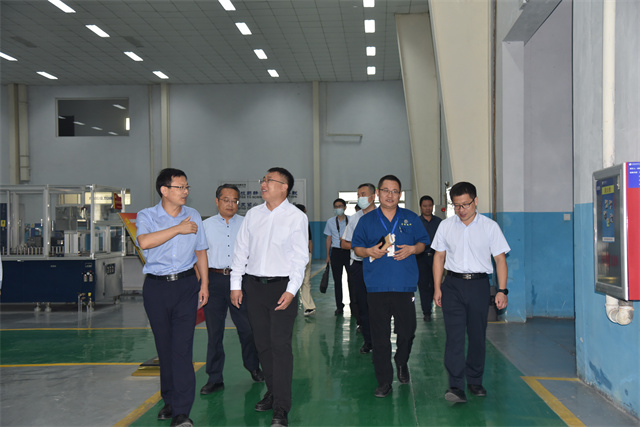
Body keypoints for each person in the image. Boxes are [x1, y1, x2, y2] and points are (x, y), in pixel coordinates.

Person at [230, 167, 308, 427]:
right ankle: (273, 392)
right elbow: (240, 251)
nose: (263, 184)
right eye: (263, 180)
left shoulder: (296, 217)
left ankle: (282, 407)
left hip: (281, 288)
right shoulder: (253, 215)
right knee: (262, 344)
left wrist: (291, 290)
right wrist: (236, 285)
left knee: (280, 346)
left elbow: (300, 258)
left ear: (284, 187)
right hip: (254, 287)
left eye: (270, 180)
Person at [136, 168, 209, 427]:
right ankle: (169, 399)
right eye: (180, 187)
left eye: (187, 187)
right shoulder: (147, 215)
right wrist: (178, 229)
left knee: (182, 349)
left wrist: (204, 284)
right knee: (164, 347)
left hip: (186, 286)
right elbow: (145, 242)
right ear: (164, 190)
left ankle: (181, 412)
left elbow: (201, 251)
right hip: (156, 288)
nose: (185, 191)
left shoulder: (194, 215)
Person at [432, 181, 510, 404]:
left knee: (477, 335)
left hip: (478, 285)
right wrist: (437, 287)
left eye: (465, 204)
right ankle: (456, 386)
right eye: (457, 206)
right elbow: (439, 257)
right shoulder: (446, 226)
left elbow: (500, 260)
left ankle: (475, 380)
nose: (461, 210)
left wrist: (502, 290)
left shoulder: (490, 227)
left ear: (475, 201)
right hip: (452, 285)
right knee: (454, 337)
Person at [352, 175, 429, 398]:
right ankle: (384, 380)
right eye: (385, 190)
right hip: (376, 287)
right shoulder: (366, 220)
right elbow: (357, 248)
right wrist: (368, 251)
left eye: (394, 191)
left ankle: (401, 361)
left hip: (404, 286)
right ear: (378, 193)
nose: (390, 195)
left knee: (407, 331)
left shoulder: (410, 218)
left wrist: (413, 249)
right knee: (380, 336)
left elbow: (423, 243)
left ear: (400, 195)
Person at [199, 184, 264, 396]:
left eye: (235, 201)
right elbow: (197, 256)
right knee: (214, 332)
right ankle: (214, 378)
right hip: (214, 281)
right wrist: (203, 284)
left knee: (248, 329)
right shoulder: (205, 226)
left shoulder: (247, 224)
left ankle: (253, 366)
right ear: (217, 201)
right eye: (226, 200)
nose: (231, 204)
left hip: (241, 282)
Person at [340, 183, 376, 354]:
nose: (360, 197)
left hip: (379, 266)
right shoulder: (354, 219)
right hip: (359, 266)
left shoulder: (382, 217)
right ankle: (369, 340)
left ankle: (380, 338)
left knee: (379, 303)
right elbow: (344, 243)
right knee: (363, 303)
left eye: (363, 194)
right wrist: (362, 248)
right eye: (358, 195)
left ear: (373, 197)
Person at [323, 198, 352, 316]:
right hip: (335, 253)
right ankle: (339, 306)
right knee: (337, 281)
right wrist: (327, 256)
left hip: (349, 252)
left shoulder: (351, 220)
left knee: (352, 280)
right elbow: (328, 239)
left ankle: (353, 305)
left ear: (345, 207)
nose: (338, 208)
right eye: (336, 206)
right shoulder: (330, 222)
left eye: (340, 206)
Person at [416, 195, 442, 322]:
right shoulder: (416, 222)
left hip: (436, 257)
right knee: (423, 285)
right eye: (425, 206)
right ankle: (426, 312)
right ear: (420, 207)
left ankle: (433, 303)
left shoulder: (439, 222)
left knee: (435, 283)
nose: (427, 208)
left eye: (430, 206)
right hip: (420, 258)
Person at [295, 203, 316, 316]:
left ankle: (309, 307)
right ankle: (291, 305)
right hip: (293, 257)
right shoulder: (290, 223)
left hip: (304, 255)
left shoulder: (305, 223)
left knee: (305, 281)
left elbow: (309, 240)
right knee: (295, 281)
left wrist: (309, 254)